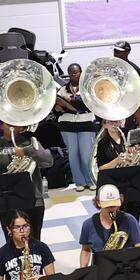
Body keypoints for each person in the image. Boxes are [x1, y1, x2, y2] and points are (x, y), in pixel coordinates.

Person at [78, 184, 140, 280]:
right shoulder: (88, 224)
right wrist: (83, 272)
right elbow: (85, 249)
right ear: (98, 203)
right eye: (108, 206)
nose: (112, 209)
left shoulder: (129, 220)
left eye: (115, 205)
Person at [0, 123, 53, 241]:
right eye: (8, 123)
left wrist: (26, 151)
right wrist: (3, 178)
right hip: (7, 203)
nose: (12, 126)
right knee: (12, 241)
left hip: (34, 200)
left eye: (15, 124)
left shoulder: (30, 143)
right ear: (2, 126)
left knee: (34, 241)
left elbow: (48, 161)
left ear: (21, 127)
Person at [93, 119, 140, 220]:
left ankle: (134, 228)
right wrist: (117, 161)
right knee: (119, 216)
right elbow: (101, 168)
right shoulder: (102, 143)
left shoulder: (128, 134)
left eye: (116, 121)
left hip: (133, 181)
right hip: (115, 183)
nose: (114, 124)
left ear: (120, 122)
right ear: (104, 125)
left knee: (134, 215)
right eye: (110, 122)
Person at [53, 62, 97, 192]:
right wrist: (58, 108)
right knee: (73, 155)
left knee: (86, 155)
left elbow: (87, 104)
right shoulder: (62, 90)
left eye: (76, 72)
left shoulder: (88, 88)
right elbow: (56, 108)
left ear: (81, 73)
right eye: (71, 73)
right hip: (67, 125)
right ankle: (79, 182)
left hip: (85, 124)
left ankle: (90, 180)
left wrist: (71, 101)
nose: (73, 75)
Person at [112, 41, 140, 132]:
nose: (115, 53)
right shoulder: (110, 68)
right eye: (115, 50)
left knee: (129, 136)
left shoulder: (134, 70)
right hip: (113, 110)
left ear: (127, 52)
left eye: (119, 51)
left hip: (130, 110)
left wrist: (138, 113)